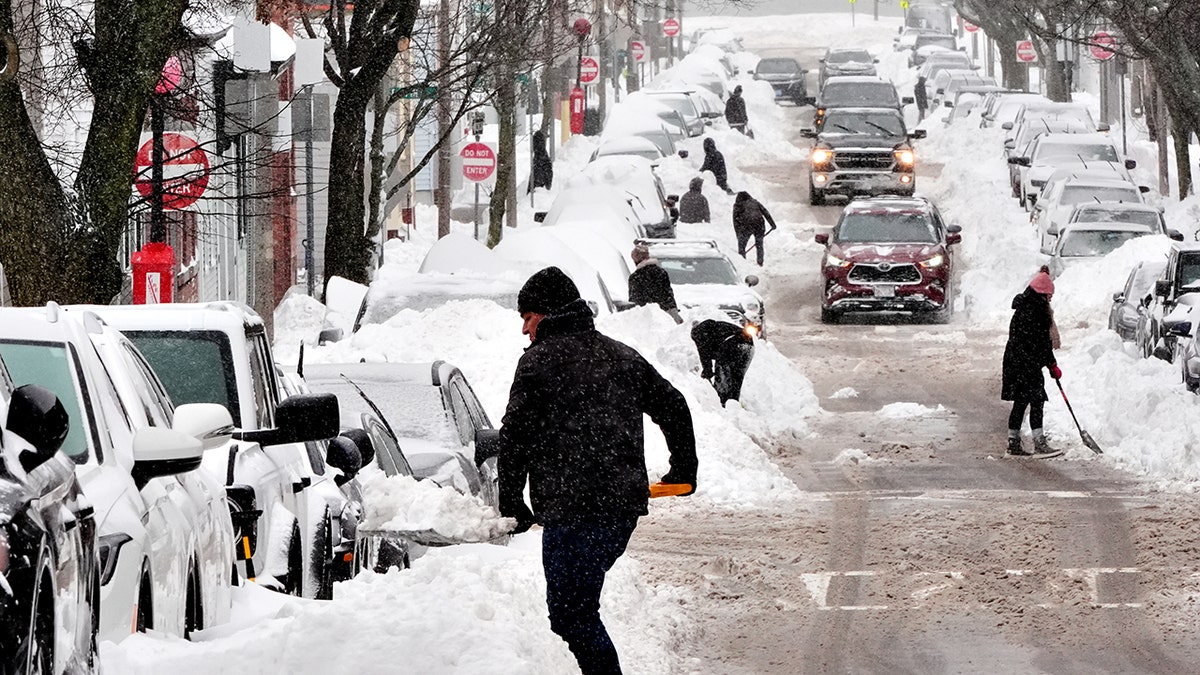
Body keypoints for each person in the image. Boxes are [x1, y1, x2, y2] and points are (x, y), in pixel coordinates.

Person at [498, 266, 698, 675]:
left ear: (547, 314)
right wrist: (683, 468)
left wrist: (512, 502)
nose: (524, 329)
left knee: (571, 614)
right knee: (576, 611)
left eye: (528, 317)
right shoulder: (620, 355)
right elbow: (673, 406)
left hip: (572, 513)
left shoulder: (537, 363)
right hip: (619, 511)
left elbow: (515, 436)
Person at [1002, 267, 1061, 457]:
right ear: (1042, 293)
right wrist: (1052, 365)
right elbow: (1042, 343)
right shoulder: (1037, 312)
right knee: (1037, 401)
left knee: (1021, 402)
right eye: (1049, 295)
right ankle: (1039, 443)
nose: (1050, 298)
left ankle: (1013, 443)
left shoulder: (1024, 307)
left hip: (1016, 362)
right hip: (1027, 364)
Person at [691, 318, 755, 404]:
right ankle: (733, 403)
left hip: (732, 343)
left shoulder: (699, 332)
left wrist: (707, 371)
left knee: (722, 374)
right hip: (749, 346)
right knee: (737, 376)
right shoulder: (715, 328)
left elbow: (704, 353)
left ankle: (722, 402)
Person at [628, 245, 683, 324]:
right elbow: (668, 293)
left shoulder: (635, 277)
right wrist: (673, 309)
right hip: (668, 312)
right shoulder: (661, 272)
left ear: (636, 259)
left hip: (649, 317)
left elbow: (635, 300)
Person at [732, 191, 777, 266]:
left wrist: (738, 235)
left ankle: (742, 262)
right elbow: (766, 212)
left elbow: (735, 221)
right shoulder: (755, 202)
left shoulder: (738, 205)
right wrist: (772, 224)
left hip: (746, 226)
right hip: (759, 224)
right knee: (759, 244)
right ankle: (760, 262)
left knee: (742, 246)